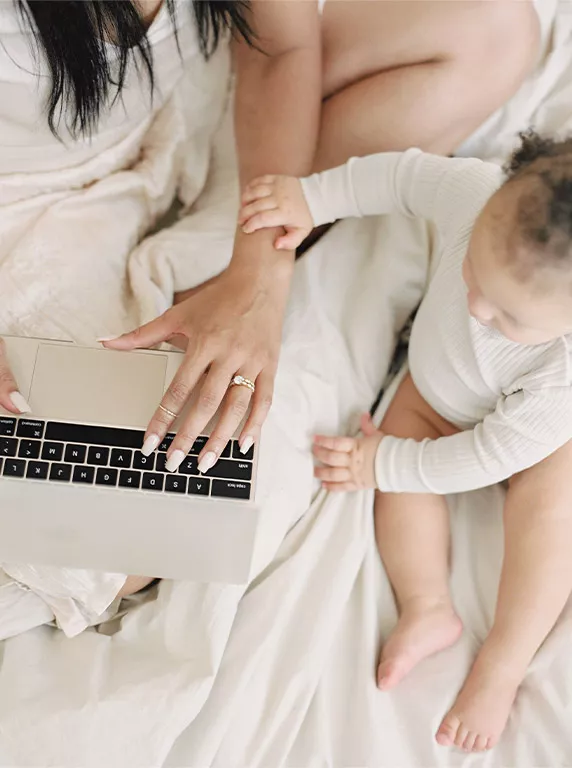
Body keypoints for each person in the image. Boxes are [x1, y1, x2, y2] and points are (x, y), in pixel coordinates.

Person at [0, 0, 543, 611]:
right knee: (121, 553)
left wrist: (259, 276)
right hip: (23, 207)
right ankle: (179, 295)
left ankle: (204, 288)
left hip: (184, 106)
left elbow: (281, 48)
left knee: (497, 30)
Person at [236, 131, 572, 751]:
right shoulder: (475, 193)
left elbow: (485, 457)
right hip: (438, 394)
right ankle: (428, 606)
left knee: (551, 517)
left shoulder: (561, 376)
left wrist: (387, 463)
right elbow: (397, 177)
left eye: (509, 317)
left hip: (538, 444)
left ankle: (501, 665)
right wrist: (312, 198)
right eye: (473, 272)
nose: (475, 309)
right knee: (397, 472)